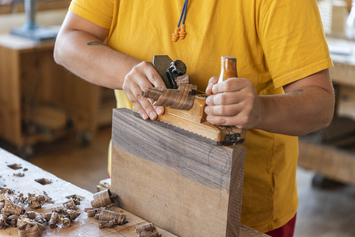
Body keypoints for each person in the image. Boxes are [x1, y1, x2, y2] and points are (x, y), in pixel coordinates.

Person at [53, 0, 335, 236]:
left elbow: (320, 103)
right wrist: (127, 73)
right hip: (135, 184)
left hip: (240, 210)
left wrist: (260, 110)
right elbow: (68, 41)